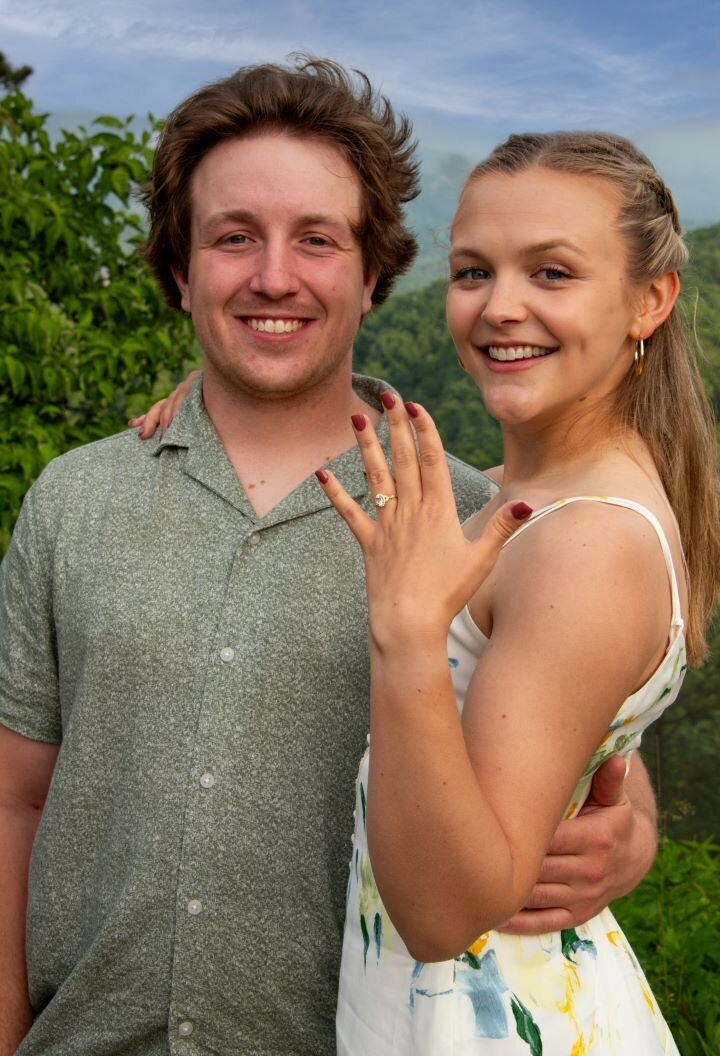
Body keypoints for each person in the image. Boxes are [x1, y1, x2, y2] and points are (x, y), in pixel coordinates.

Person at [0, 58, 656, 1056]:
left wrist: (630, 821)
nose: (274, 276)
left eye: (317, 239)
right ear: (181, 271)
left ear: (373, 273)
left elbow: (572, 727)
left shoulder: (478, 524)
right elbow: (16, 799)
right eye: (232, 238)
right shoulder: (73, 503)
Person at [310, 132, 720, 1052]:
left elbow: (447, 914)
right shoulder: (534, 500)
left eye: (552, 273)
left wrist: (409, 633)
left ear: (649, 300)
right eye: (471, 272)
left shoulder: (584, 543)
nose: (500, 307)